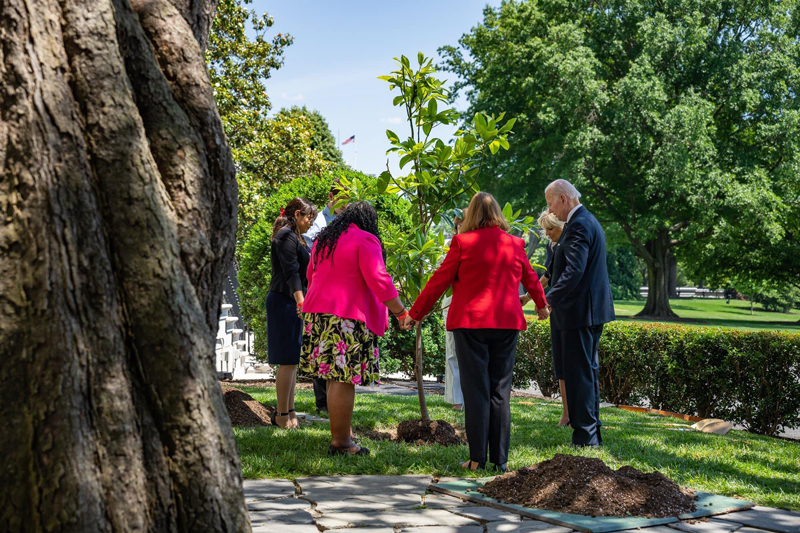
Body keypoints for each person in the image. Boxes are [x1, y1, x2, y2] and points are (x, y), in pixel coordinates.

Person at [404, 192, 549, 472]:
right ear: (498, 214)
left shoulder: (462, 242)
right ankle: (500, 461)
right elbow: (530, 277)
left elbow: (439, 281)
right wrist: (541, 306)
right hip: (506, 324)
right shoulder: (515, 244)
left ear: (470, 215)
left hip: (469, 324)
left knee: (476, 391)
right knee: (500, 391)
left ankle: (476, 459)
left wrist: (415, 314)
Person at [300, 202, 411, 456]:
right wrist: (401, 313)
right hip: (345, 316)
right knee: (343, 379)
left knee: (332, 377)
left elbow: (310, 275)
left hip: (317, 312)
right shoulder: (365, 239)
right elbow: (380, 280)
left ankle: (343, 433)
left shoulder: (323, 241)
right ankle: (341, 443)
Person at [544, 179, 615, 447]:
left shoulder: (579, 224)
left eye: (551, 204)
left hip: (581, 313)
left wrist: (548, 300)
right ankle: (590, 432)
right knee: (584, 372)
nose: (550, 212)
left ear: (563, 199)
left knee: (581, 374)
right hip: (584, 312)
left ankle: (586, 437)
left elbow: (574, 272)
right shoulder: (585, 221)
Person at [267, 198, 318, 429]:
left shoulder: (293, 236)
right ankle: (280, 414)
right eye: (309, 218)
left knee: (292, 361)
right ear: (297, 214)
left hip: (291, 302)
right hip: (285, 301)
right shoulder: (286, 236)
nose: (310, 223)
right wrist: (301, 303)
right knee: (288, 361)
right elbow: (291, 273)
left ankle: (290, 411)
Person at [302, 182, 346, 416]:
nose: (345, 206)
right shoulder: (319, 223)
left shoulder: (347, 222)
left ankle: (333, 402)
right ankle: (323, 403)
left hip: (339, 294)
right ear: (331, 197)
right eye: (341, 201)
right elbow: (312, 259)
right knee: (321, 349)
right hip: (321, 291)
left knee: (335, 351)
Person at [536, 209, 570, 427]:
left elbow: (569, 277)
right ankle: (566, 413)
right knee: (560, 364)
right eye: (545, 229)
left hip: (570, 312)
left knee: (570, 365)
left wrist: (546, 303)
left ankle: (572, 414)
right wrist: (530, 296)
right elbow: (548, 275)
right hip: (557, 311)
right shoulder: (554, 247)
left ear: (563, 225)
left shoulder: (570, 244)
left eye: (551, 228)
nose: (547, 233)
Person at [442, 213, 466, 411]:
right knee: (452, 351)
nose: (460, 228)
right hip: (451, 299)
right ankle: (456, 399)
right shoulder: (453, 245)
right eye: (457, 225)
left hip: (471, 302)